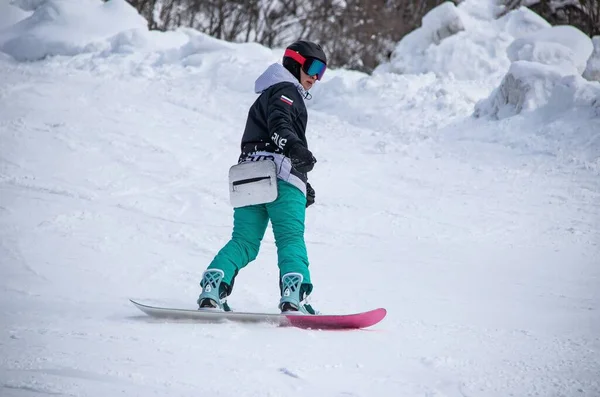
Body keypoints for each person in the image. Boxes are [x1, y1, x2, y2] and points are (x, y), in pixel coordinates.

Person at [197, 40, 327, 314]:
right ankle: (295, 297)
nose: (316, 77)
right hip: (279, 174)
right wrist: (295, 150)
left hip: (249, 175)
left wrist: (304, 179)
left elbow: (267, 136)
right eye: (313, 67)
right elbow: (279, 124)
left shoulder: (268, 94)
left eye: (322, 71)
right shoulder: (286, 90)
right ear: (294, 62)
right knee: (290, 238)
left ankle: (213, 287)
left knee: (244, 241)